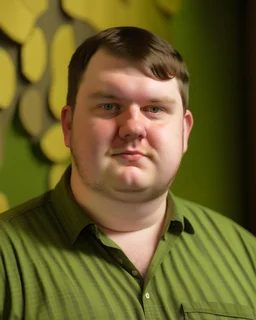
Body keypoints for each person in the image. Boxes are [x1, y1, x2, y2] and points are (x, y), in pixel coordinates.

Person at [0, 26, 255, 320]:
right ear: (69, 127)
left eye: (154, 108)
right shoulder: (6, 261)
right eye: (109, 106)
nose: (133, 127)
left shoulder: (247, 256)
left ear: (184, 132)